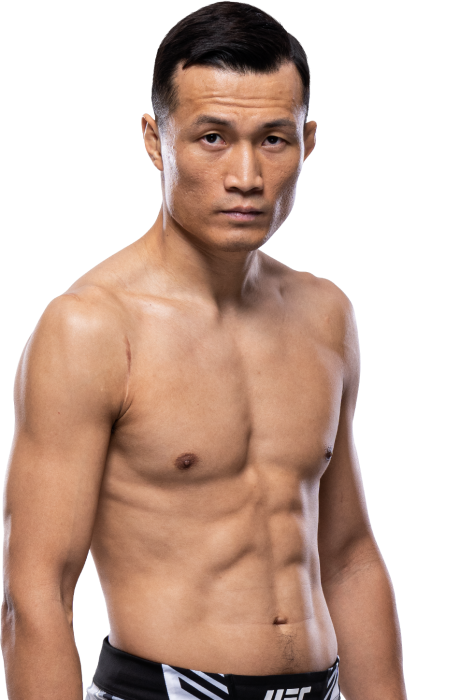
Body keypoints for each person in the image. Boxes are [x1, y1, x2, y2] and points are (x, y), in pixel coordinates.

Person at [1, 2, 406, 699]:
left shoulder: (324, 314)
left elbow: (347, 557)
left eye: (273, 139)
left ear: (308, 142)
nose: (246, 175)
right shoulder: (92, 328)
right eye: (213, 137)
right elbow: (35, 591)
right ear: (156, 141)